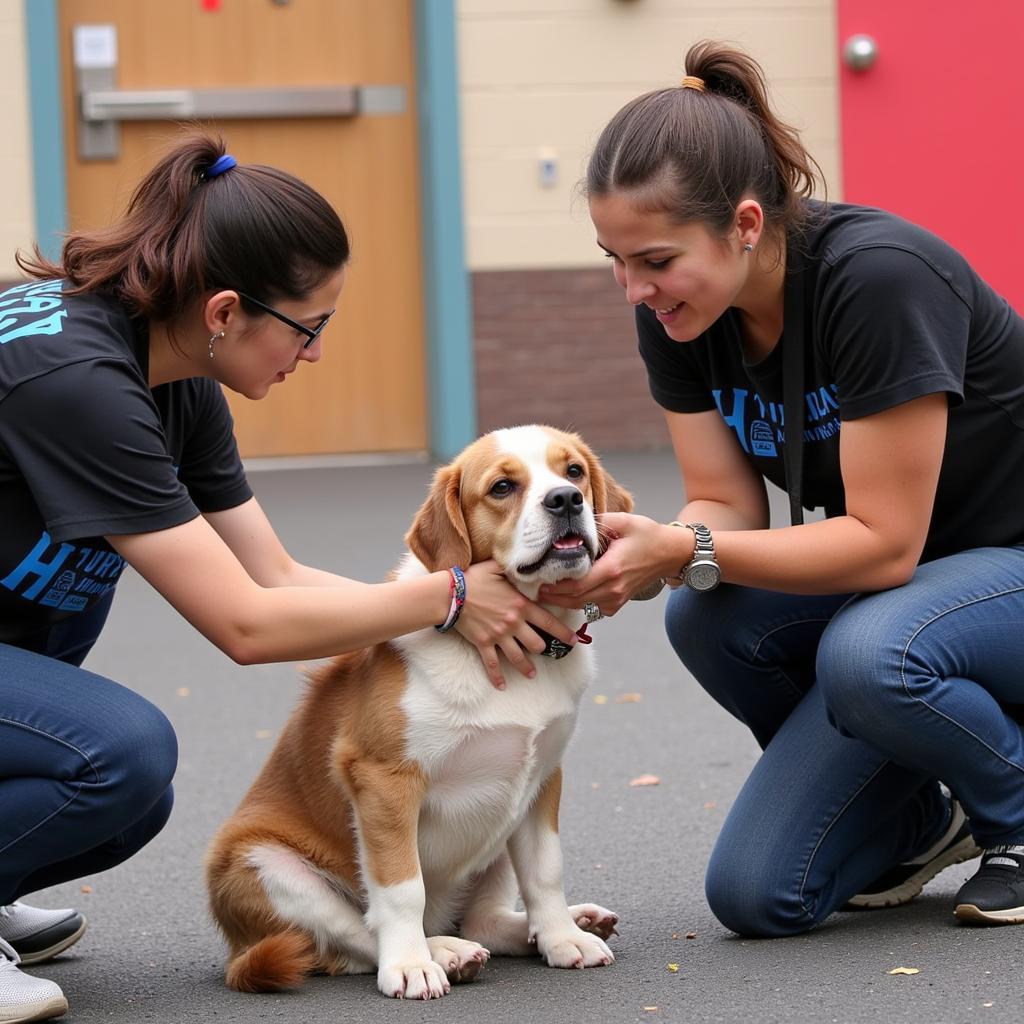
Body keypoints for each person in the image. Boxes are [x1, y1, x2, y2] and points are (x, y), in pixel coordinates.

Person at [0, 132, 579, 1022]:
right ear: (226, 310)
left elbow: (272, 573)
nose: (313, 355)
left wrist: (445, 613)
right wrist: (455, 595)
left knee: (130, 802)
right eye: (309, 329)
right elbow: (247, 627)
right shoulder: (79, 380)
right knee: (115, 758)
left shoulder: (173, 364)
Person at [540, 40, 1024, 938]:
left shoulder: (877, 280)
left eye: (652, 259)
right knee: (761, 888)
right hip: (924, 587)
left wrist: (686, 549)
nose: (631, 287)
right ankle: (922, 818)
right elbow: (722, 507)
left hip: (997, 573)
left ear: (748, 224)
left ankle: (1018, 812)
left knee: (869, 653)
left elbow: (883, 543)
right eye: (613, 256)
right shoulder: (684, 315)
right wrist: (635, 560)